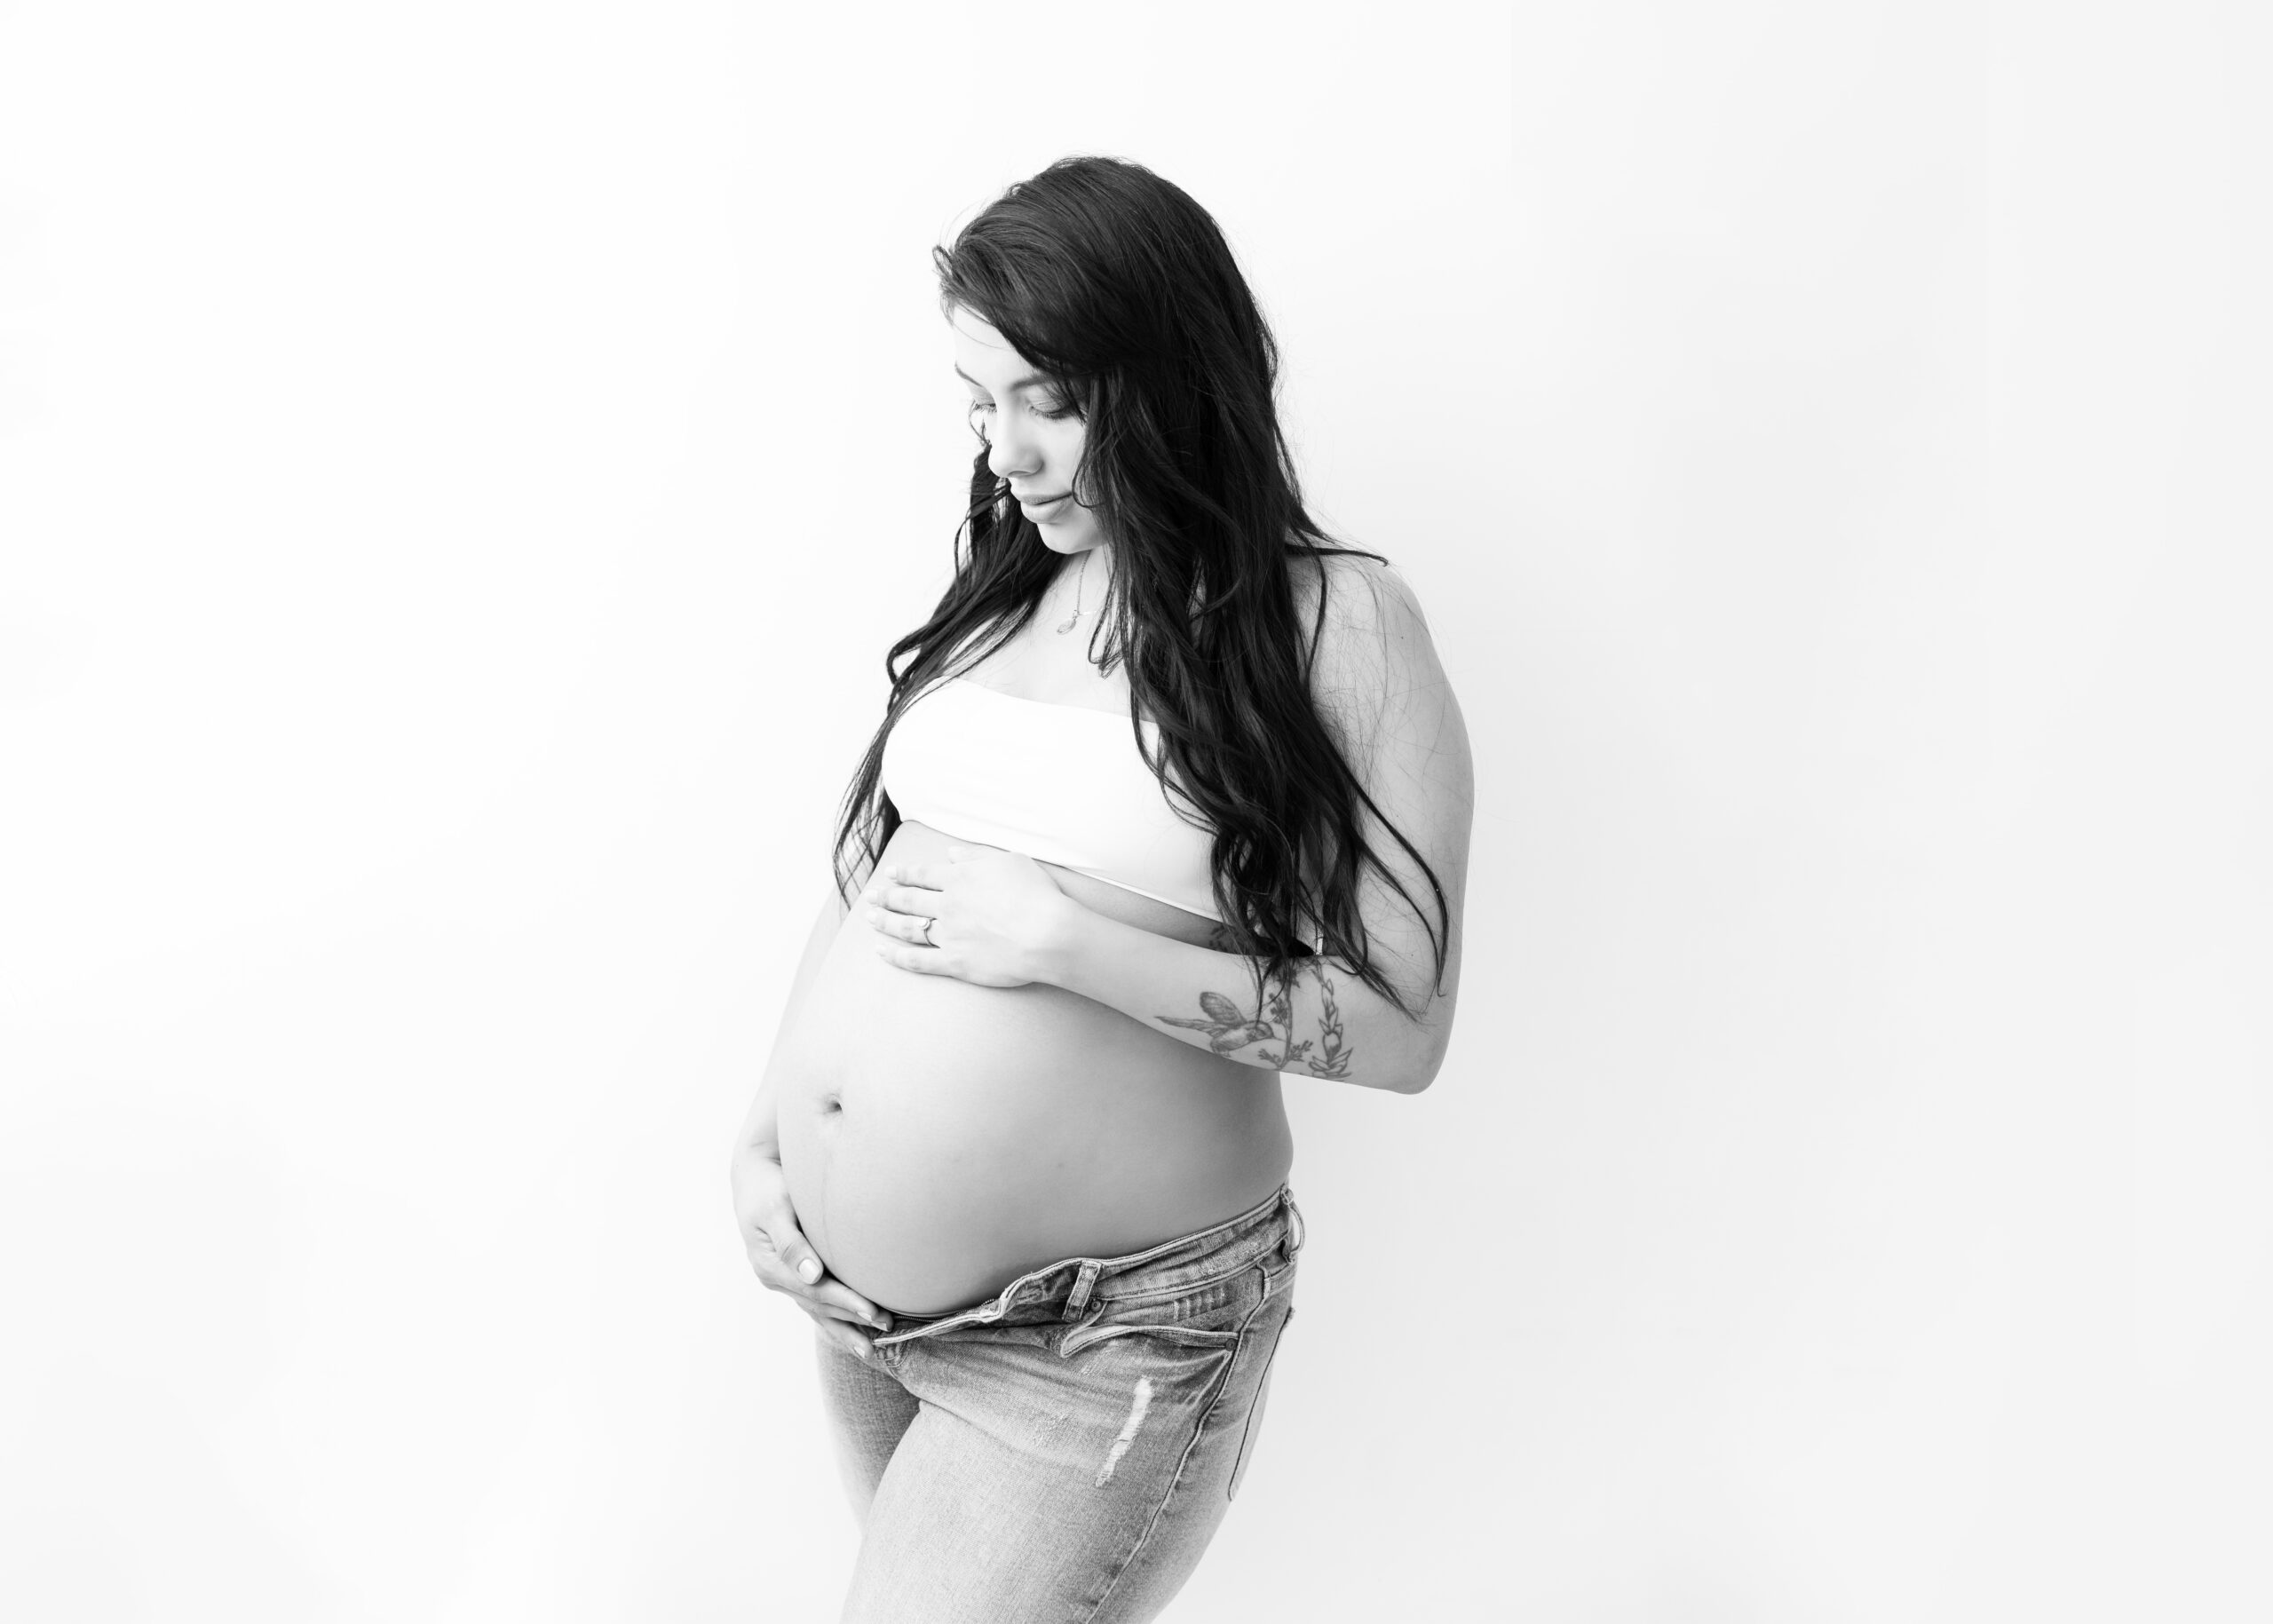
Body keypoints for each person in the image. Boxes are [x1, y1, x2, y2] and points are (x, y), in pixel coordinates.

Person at [728, 154, 1472, 1623]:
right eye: (978, 401)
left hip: (1098, 1340)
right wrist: (765, 1132)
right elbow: (882, 870)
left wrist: (1068, 944)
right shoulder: (1017, 583)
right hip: (864, 1317)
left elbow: (1400, 1031)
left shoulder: (1337, 625)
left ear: (1169, 377)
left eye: (1050, 403)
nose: (1006, 451)